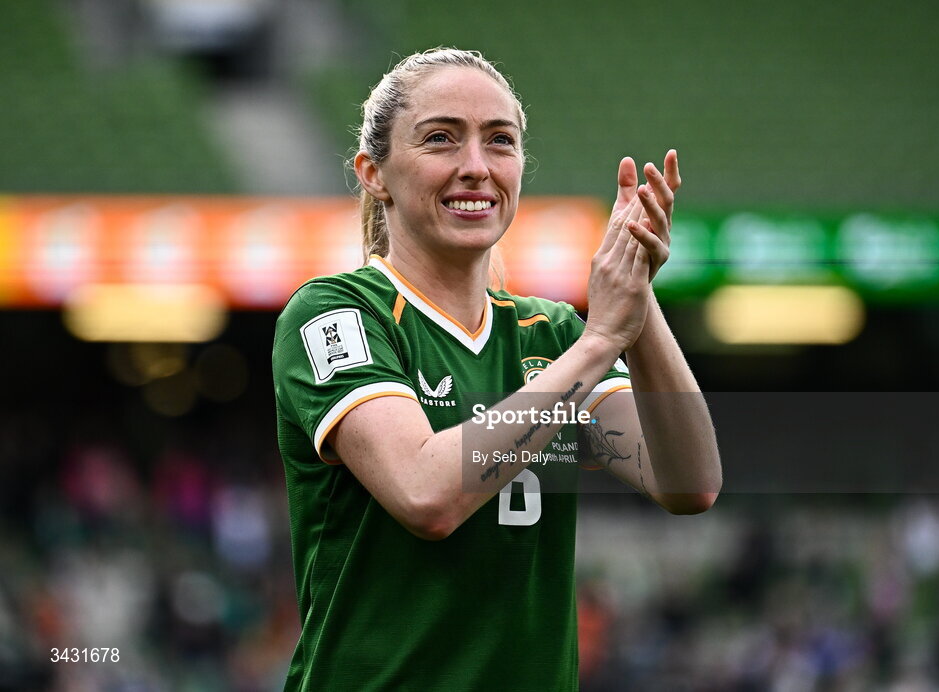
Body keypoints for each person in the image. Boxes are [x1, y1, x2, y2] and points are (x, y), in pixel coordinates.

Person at [272, 48, 721, 690]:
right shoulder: (336, 313)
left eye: (499, 141)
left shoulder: (551, 334)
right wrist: (599, 343)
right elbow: (426, 494)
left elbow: (689, 483)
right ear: (374, 173)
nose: (476, 167)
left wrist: (636, 290)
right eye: (440, 139)